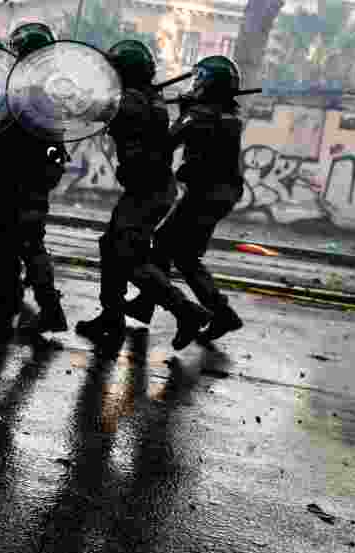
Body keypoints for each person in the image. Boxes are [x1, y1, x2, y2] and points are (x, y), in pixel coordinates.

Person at [74, 40, 211, 352]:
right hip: (149, 189)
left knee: (129, 259)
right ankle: (111, 317)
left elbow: (90, 108)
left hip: (148, 192)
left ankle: (187, 311)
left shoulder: (132, 101)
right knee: (111, 247)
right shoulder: (151, 98)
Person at [124, 55, 247, 344]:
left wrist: (182, 110)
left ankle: (218, 313)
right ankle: (149, 305)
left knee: (180, 254)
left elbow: (167, 142)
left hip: (206, 194)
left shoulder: (201, 114)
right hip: (217, 193)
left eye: (198, 80)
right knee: (170, 249)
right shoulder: (227, 114)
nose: (194, 85)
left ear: (209, 85)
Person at [9, 23, 69, 333]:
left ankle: (51, 310)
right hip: (33, 174)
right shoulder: (46, 85)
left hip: (26, 176)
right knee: (19, 239)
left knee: (29, 242)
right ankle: (13, 294)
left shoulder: (33, 90)